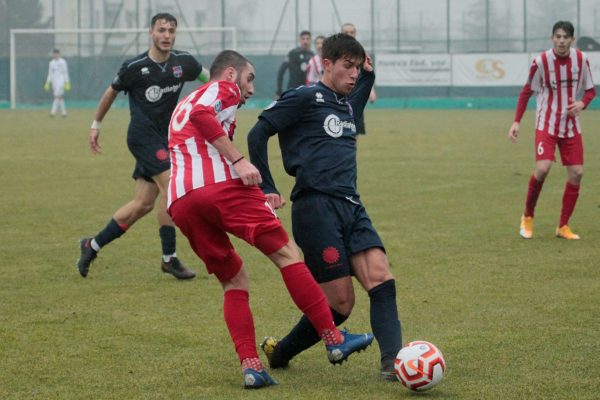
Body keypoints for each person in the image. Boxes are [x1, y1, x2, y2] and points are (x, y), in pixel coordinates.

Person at [167, 49, 374, 389]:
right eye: (249, 79)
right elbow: (203, 116)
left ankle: (251, 366)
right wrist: (239, 161)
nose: (250, 90)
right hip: (219, 186)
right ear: (232, 74)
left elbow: (193, 125)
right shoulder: (223, 89)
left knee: (234, 280)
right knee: (287, 254)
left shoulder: (186, 100)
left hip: (180, 199)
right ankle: (334, 339)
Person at [248, 33, 402, 382]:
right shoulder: (304, 97)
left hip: (351, 205)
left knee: (382, 279)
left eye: (356, 69)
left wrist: (369, 72)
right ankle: (283, 351)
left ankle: (394, 363)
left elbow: (363, 82)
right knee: (341, 305)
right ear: (326, 64)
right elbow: (258, 134)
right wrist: (267, 187)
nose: (353, 75)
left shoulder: (349, 105)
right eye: (346, 67)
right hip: (315, 208)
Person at [77, 13, 210, 279]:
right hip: (142, 136)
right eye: (162, 30)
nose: (167, 36)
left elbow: (209, 78)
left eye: (172, 31)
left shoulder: (184, 62)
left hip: (166, 138)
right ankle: (169, 258)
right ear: (151, 32)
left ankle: (91, 245)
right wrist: (96, 125)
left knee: (142, 204)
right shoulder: (135, 66)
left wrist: (228, 90)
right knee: (171, 184)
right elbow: (111, 92)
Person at [508, 20, 595, 240]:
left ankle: (563, 226)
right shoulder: (541, 62)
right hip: (546, 124)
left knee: (577, 173)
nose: (561, 41)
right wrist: (516, 121)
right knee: (543, 168)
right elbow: (526, 91)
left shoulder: (582, 60)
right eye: (558, 36)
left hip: (571, 126)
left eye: (566, 37)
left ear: (572, 40)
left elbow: (590, 91)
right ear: (552, 38)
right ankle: (527, 217)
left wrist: (582, 104)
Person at [341, 23, 376, 135]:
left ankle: (353, 153)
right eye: (346, 32)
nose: (349, 34)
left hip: (356, 95)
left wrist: (371, 90)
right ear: (342, 34)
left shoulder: (361, 52)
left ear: (355, 33)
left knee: (354, 132)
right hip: (339, 95)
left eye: (352, 32)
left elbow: (366, 73)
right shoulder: (335, 52)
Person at [275, 30, 314, 97]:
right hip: (293, 91)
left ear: (310, 40)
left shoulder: (312, 55)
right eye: (303, 39)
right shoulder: (293, 53)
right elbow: (281, 72)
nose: (305, 41)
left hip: (307, 92)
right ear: (300, 40)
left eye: (307, 39)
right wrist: (279, 91)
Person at [44, 48, 70, 117]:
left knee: (56, 96)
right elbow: (50, 73)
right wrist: (47, 82)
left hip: (61, 81)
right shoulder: (51, 63)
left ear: (59, 54)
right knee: (59, 97)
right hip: (54, 82)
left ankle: (52, 112)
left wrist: (67, 82)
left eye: (56, 54)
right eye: (54, 54)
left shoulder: (63, 62)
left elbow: (65, 72)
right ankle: (64, 113)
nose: (55, 55)